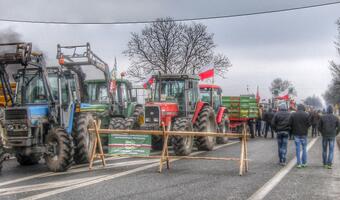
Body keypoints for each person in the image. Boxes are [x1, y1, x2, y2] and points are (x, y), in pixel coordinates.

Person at [289, 104, 311, 168]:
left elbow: (290, 123)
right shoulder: (307, 114)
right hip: (304, 133)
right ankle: (304, 163)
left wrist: (293, 129)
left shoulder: (293, 114)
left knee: (297, 149)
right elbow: (309, 124)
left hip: (296, 134)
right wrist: (305, 128)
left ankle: (298, 163)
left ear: (297, 108)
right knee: (304, 148)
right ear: (303, 108)